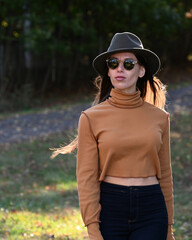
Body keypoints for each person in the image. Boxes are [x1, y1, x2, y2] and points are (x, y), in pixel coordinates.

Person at [51, 32, 175, 240]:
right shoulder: (90, 118)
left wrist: (169, 227)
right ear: (108, 71)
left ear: (141, 70)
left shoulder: (160, 118)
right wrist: (92, 228)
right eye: (113, 63)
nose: (119, 68)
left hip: (151, 209)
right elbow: (86, 178)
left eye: (128, 63)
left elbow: (165, 174)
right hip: (110, 208)